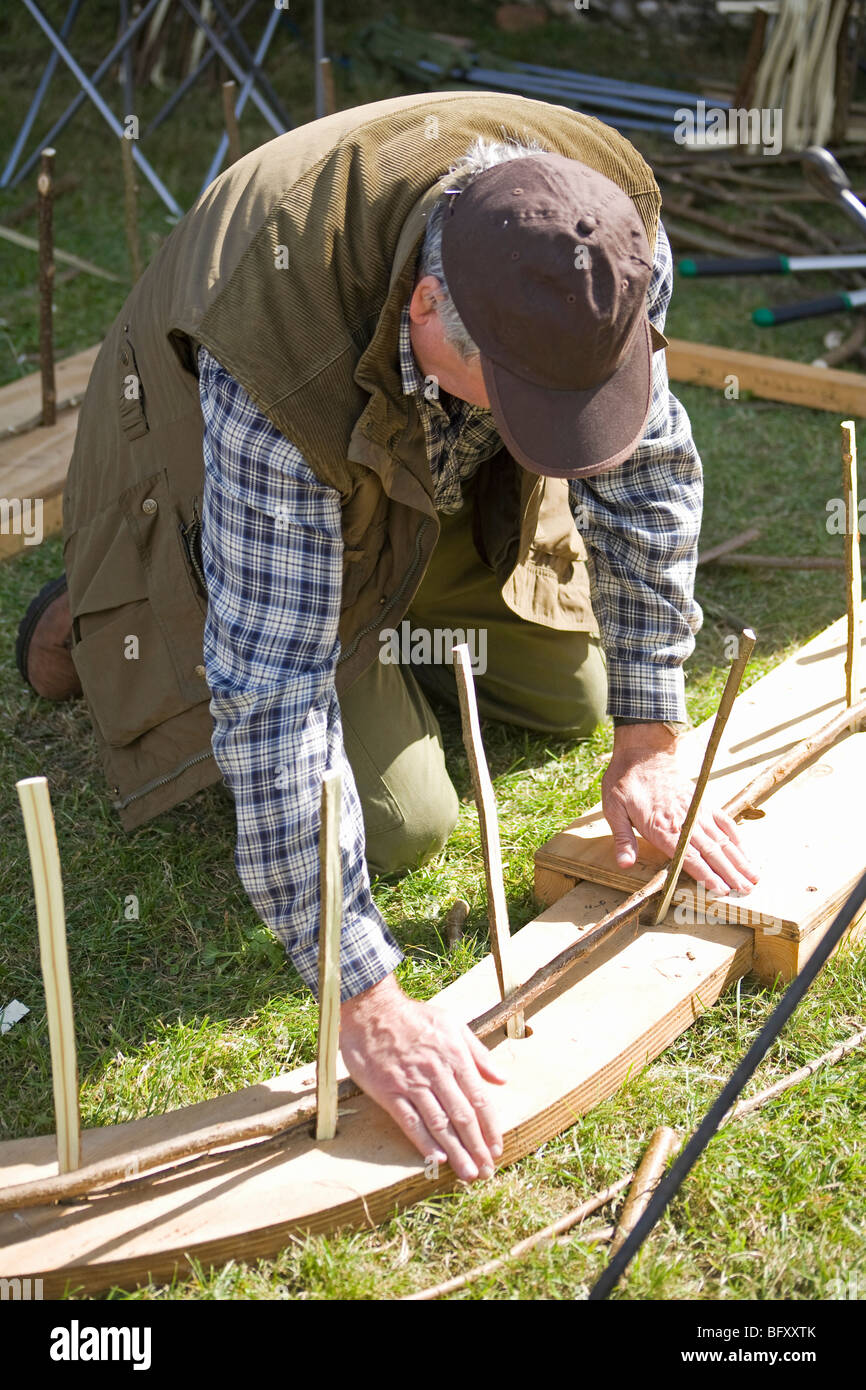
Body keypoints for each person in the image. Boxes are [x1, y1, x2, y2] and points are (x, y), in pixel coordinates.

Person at [17, 91, 758, 1185]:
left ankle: (387, 574)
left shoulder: (596, 239)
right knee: (403, 820)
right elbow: (273, 695)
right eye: (529, 399)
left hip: (423, 462)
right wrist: (361, 997)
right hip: (239, 448)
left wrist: (650, 738)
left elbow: (644, 478)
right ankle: (112, 612)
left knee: (579, 694)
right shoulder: (278, 353)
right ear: (424, 309)